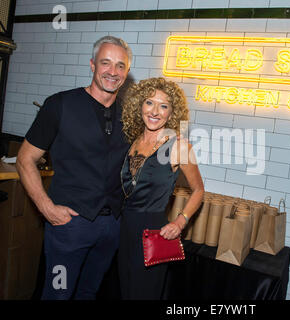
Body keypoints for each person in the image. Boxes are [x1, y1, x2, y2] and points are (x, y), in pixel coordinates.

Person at [16, 36, 132, 300]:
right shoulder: (59, 104)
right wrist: (46, 208)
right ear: (92, 65)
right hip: (69, 225)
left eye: (120, 65)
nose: (113, 72)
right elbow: (25, 159)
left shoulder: (129, 114)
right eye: (106, 63)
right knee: (58, 294)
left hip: (111, 226)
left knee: (88, 294)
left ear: (126, 72)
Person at [118, 77, 204, 300]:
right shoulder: (133, 140)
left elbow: (199, 190)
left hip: (153, 234)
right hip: (123, 229)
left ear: (171, 113)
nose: (155, 111)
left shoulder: (178, 145)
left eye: (163, 105)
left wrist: (180, 221)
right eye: (149, 103)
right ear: (140, 105)